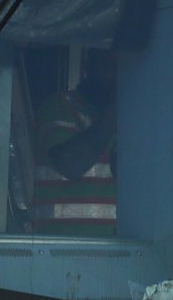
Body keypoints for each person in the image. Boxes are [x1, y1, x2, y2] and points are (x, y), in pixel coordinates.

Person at [31, 52, 119, 231]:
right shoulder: (60, 106)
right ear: (89, 66)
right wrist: (116, 108)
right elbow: (70, 164)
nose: (115, 77)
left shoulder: (136, 120)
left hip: (119, 249)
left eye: (121, 70)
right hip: (61, 247)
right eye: (108, 68)